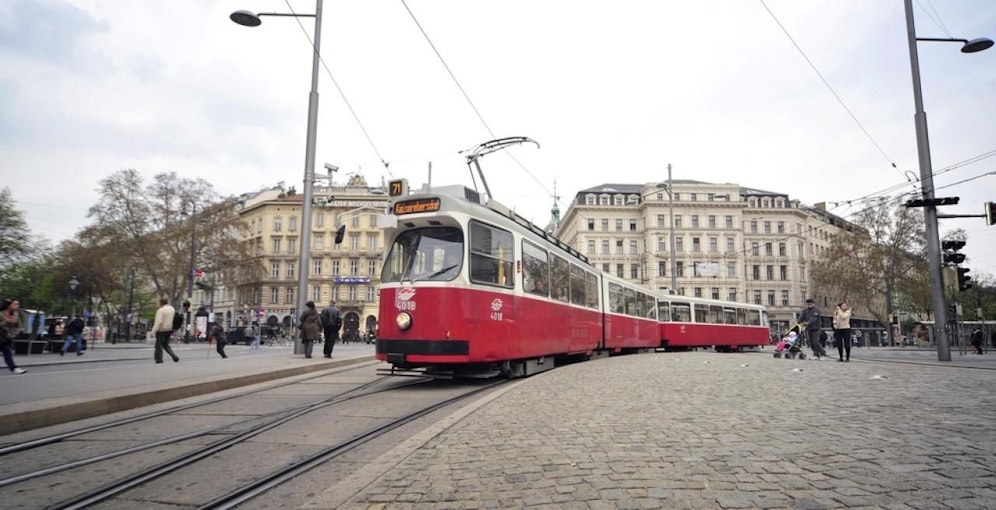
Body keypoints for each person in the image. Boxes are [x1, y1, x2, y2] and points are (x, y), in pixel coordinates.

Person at [0, 298, 28, 374]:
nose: (17, 306)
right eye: (15, 304)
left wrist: (12, 335)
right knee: (7, 352)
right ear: (9, 305)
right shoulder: (1, 313)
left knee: (7, 352)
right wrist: (6, 321)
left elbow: (18, 326)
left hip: (5, 337)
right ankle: (14, 368)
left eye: (18, 304)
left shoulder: (15, 314)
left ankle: (14, 368)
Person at [152, 297, 180, 364]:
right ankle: (174, 356)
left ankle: (159, 360)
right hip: (169, 329)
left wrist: (153, 331)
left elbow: (158, 322)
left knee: (158, 346)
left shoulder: (161, 310)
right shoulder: (172, 309)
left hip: (162, 330)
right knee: (166, 345)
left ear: (161, 303)